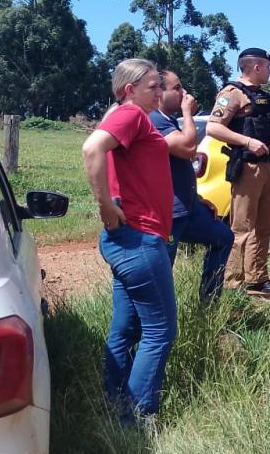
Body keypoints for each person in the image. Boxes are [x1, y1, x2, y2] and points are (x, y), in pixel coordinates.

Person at [82, 58, 177, 421]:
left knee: (124, 327)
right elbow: (92, 149)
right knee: (160, 332)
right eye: (153, 86)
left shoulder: (130, 117)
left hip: (128, 238)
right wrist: (105, 204)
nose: (160, 91)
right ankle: (138, 419)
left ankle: (114, 403)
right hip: (140, 239)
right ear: (129, 90)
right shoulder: (132, 114)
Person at [206, 47, 270, 294]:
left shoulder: (263, 96)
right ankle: (234, 282)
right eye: (267, 66)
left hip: (268, 167)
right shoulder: (232, 93)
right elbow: (213, 127)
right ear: (256, 67)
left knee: (265, 226)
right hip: (246, 167)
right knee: (242, 227)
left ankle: (258, 277)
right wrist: (247, 142)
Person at [149, 70, 234, 302]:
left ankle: (209, 304)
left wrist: (198, 199)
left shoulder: (168, 121)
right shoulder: (154, 121)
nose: (184, 93)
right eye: (176, 88)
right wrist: (188, 113)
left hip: (187, 208)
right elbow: (188, 149)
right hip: (169, 214)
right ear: (159, 93)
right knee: (163, 271)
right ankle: (156, 328)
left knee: (223, 237)